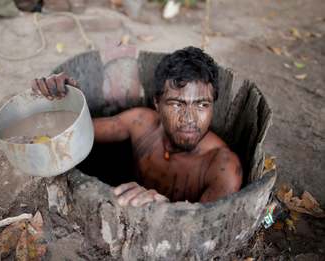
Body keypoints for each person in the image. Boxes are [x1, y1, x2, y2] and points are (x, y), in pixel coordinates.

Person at [31, 46, 242, 207]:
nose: (190, 118)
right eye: (177, 104)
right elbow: (77, 132)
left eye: (202, 104)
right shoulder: (141, 122)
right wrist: (65, 99)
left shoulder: (222, 168)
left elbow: (204, 233)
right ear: (157, 104)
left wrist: (165, 210)